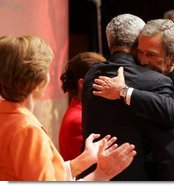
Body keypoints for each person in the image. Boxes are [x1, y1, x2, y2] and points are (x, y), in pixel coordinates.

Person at [93, 19, 174, 181]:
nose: (142, 61)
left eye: (151, 55)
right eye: (140, 52)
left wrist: (124, 92)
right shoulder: (148, 79)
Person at [0, 35, 136, 181]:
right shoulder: (26, 129)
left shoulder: (9, 116)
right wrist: (100, 175)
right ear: (37, 79)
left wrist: (84, 160)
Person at [81, 14, 174, 180]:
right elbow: (172, 156)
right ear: (140, 43)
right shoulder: (157, 81)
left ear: (109, 43)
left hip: (95, 177)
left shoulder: (92, 74)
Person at [59, 52, 106, 161]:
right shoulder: (78, 119)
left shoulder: (81, 112)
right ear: (82, 83)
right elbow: (91, 163)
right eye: (102, 79)